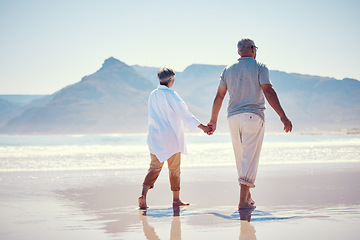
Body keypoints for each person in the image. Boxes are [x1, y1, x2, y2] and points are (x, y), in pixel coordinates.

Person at [208, 38, 292, 209]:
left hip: (233, 118)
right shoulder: (260, 66)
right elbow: (268, 91)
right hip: (253, 116)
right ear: (253, 49)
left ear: (239, 52)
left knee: (241, 158)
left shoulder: (228, 69)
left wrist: (213, 121)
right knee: (250, 159)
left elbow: (219, 96)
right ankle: (242, 201)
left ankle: (248, 196)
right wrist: (282, 116)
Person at [139, 67, 212, 209]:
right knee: (174, 169)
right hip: (171, 137)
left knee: (154, 167)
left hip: (155, 136)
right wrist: (203, 127)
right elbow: (185, 114)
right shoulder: (172, 95)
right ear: (171, 80)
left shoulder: (153, 94)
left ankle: (143, 195)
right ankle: (176, 199)